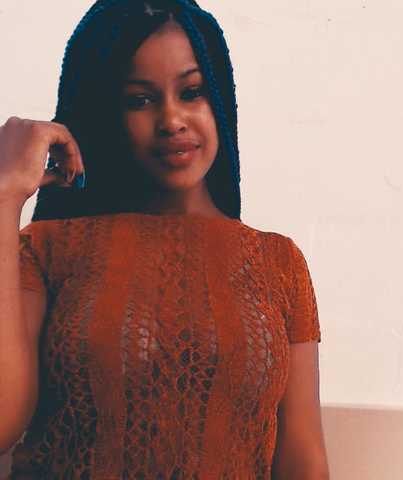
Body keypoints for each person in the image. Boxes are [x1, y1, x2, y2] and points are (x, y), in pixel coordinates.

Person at [0, 0, 329, 478]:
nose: (172, 119)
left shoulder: (278, 262)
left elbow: (304, 461)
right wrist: (5, 195)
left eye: (192, 92)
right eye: (140, 100)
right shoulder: (47, 249)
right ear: (107, 113)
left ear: (220, 98)